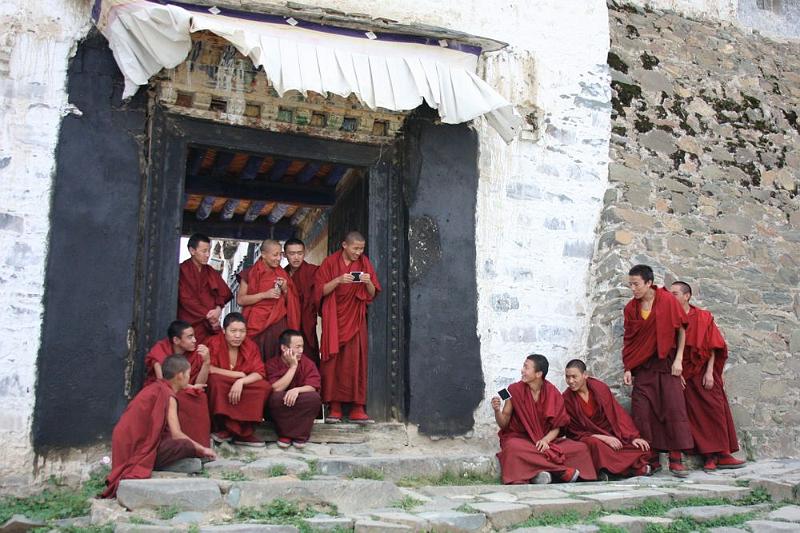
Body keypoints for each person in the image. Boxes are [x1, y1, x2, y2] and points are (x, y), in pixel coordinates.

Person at [102, 355, 216, 498]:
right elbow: (177, 434)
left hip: (126, 442)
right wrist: (202, 449)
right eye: (188, 374)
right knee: (184, 445)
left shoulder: (156, 388)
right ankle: (154, 464)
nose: (189, 377)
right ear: (180, 376)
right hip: (137, 447)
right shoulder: (168, 395)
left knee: (175, 443)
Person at [623, 264, 693, 477]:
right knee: (643, 412)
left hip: (667, 363)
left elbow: (681, 329)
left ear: (649, 283)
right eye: (630, 285)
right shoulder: (631, 308)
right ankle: (651, 458)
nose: (633, 289)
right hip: (643, 367)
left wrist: (679, 360)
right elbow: (630, 340)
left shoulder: (667, 301)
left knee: (674, 408)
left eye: (636, 284)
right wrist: (628, 367)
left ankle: (675, 458)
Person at [670, 281, 745, 472]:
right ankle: (709, 456)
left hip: (703, 371)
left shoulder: (703, 317)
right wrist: (676, 374)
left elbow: (712, 345)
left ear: (687, 296)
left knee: (715, 409)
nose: (672, 297)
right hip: (683, 373)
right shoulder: (670, 319)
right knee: (694, 416)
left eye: (675, 293)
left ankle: (723, 454)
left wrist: (710, 371)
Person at [492, 354, 597, 485]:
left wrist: (545, 440)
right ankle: (560, 472)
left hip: (547, 440)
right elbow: (504, 423)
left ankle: (537, 474)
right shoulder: (514, 390)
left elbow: (557, 426)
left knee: (580, 448)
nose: (522, 370)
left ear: (538, 374)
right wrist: (497, 411)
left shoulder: (552, 392)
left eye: (526, 367)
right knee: (513, 448)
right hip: (522, 439)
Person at [314, 231, 381, 424]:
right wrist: (338, 280)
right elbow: (319, 292)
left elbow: (372, 294)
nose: (358, 252)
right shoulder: (329, 263)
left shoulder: (364, 263)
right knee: (333, 361)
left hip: (355, 318)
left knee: (356, 361)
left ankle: (357, 408)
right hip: (334, 318)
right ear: (345, 245)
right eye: (355, 248)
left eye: (361, 249)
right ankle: (334, 406)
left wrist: (368, 282)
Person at [562, 359, 651, 479]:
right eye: (567, 377)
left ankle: (615, 470)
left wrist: (633, 437)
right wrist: (603, 438)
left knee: (639, 447)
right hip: (588, 437)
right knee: (595, 445)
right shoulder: (566, 398)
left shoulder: (599, 388)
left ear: (585, 375)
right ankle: (628, 469)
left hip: (610, 433)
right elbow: (573, 431)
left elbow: (617, 414)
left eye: (574, 377)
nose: (570, 381)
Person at [207, 312, 271, 447]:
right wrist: (237, 375)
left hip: (242, 384)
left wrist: (241, 381)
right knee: (215, 382)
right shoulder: (213, 343)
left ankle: (245, 432)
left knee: (263, 387)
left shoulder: (250, 346)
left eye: (242, 331)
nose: (238, 335)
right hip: (223, 381)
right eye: (233, 331)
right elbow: (209, 369)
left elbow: (260, 373)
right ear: (224, 331)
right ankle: (224, 429)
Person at [144, 320, 211, 446]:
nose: (195, 340)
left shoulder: (195, 354)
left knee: (200, 397)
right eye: (190, 337)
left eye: (194, 336)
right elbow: (163, 380)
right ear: (176, 340)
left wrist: (206, 362)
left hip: (184, 389)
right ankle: (182, 444)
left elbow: (200, 384)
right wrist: (190, 387)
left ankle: (199, 444)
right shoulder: (160, 349)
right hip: (162, 391)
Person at [237, 239, 300, 360]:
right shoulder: (249, 273)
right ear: (263, 254)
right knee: (255, 358)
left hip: (278, 323)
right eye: (275, 255)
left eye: (280, 254)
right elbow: (241, 300)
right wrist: (264, 295)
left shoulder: (283, 274)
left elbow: (292, 301)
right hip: (255, 323)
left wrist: (285, 289)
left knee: (276, 357)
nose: (278, 258)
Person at [266, 329, 322, 449]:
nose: (301, 351)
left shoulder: (308, 363)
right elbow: (275, 388)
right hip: (282, 403)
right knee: (274, 398)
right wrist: (293, 367)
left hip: (300, 401)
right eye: (297, 347)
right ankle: (286, 434)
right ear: (284, 348)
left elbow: (313, 386)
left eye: (302, 347)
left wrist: (297, 390)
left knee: (314, 398)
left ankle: (299, 435)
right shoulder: (272, 364)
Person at [177, 233, 233, 343]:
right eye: (204, 251)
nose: (207, 255)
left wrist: (218, 309)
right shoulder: (182, 270)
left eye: (209, 251)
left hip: (209, 325)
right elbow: (186, 299)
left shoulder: (210, 271)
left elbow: (224, 293)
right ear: (192, 251)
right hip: (190, 323)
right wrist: (207, 314)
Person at [283, 238, 320, 366]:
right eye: (292, 254)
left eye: (300, 253)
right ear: (285, 255)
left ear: (305, 253)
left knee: (308, 356)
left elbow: (320, 294)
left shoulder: (313, 271)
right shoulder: (282, 274)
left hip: (306, 322)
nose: (296, 257)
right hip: (286, 321)